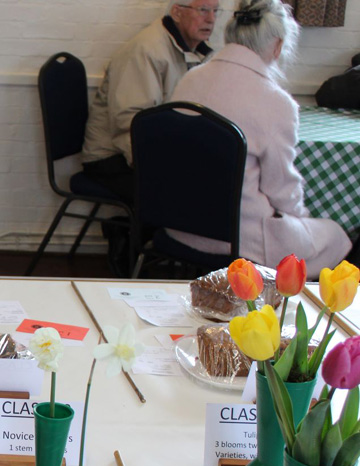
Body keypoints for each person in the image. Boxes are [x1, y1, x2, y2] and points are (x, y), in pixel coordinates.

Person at [171, 0, 350, 277]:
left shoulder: (189, 80)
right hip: (238, 239)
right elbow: (282, 192)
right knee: (337, 234)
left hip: (178, 225)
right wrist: (300, 219)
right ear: (278, 46)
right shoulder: (275, 102)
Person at [81, 0, 219, 205]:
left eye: (216, 11)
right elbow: (129, 123)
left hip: (148, 145)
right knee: (186, 193)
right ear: (177, 12)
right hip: (111, 157)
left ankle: (132, 232)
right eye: (203, 10)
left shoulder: (193, 52)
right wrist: (166, 166)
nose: (211, 19)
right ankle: (141, 234)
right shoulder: (146, 51)